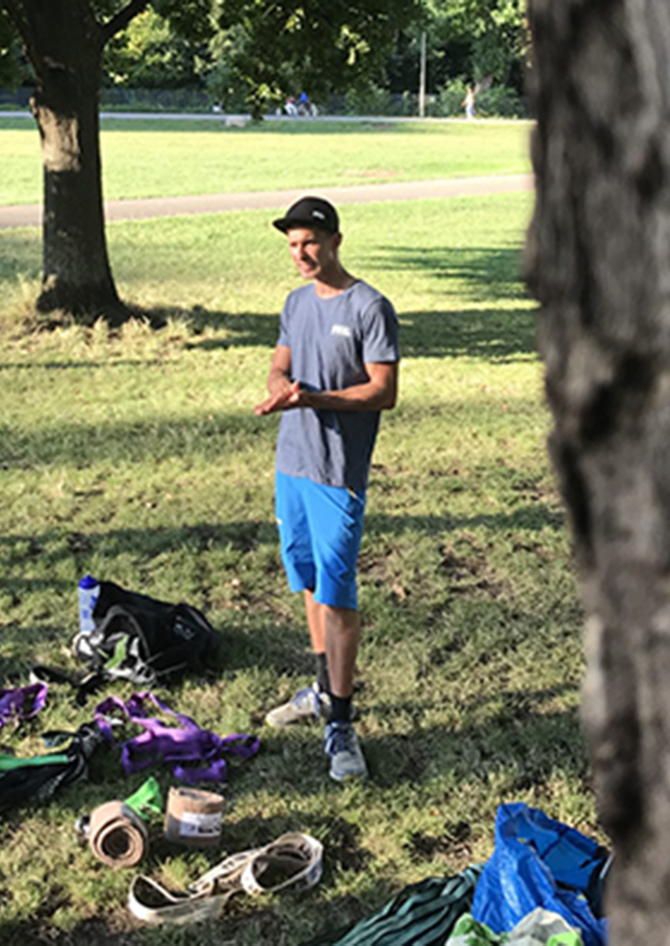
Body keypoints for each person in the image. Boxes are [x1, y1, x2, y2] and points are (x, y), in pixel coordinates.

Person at [255, 197, 399, 781]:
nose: (300, 253)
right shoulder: (294, 303)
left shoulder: (370, 307)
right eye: (292, 244)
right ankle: (319, 690)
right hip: (292, 464)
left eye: (310, 242)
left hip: (337, 473)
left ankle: (341, 721)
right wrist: (281, 386)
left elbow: (383, 390)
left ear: (335, 239)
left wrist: (314, 398)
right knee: (310, 580)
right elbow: (278, 364)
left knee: (338, 596)